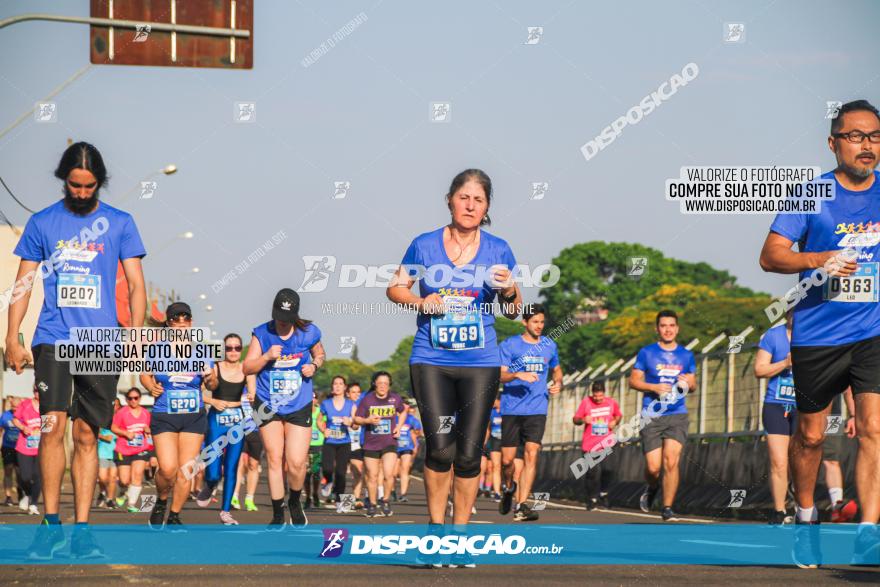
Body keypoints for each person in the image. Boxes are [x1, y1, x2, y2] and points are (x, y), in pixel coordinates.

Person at [5, 142, 147, 559]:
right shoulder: (42, 222)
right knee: (52, 426)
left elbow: (137, 285)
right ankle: (50, 525)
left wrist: (135, 334)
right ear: (63, 180)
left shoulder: (120, 223)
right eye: (75, 185)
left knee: (86, 433)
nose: (82, 193)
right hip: (53, 336)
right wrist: (13, 337)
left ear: (99, 183)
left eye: (89, 187)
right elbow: (24, 283)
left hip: (99, 341)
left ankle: (82, 530)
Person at [759, 99, 880, 566]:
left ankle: (867, 530)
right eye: (854, 136)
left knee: (872, 428)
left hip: (872, 330)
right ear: (833, 144)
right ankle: (805, 517)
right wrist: (818, 260)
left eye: (873, 136)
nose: (865, 145)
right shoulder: (810, 195)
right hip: (818, 333)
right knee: (809, 437)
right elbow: (770, 256)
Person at [387, 168, 522, 551]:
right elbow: (395, 288)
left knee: (467, 454)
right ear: (450, 199)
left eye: (478, 200)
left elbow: (514, 311)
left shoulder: (499, 249)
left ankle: (459, 536)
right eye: (464, 197)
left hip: (480, 362)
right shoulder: (424, 245)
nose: (470, 205)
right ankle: (435, 530)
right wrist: (419, 300)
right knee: (440, 448)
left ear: (487, 207)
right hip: (431, 357)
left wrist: (510, 288)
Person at [242, 288, 325, 528]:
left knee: (297, 462)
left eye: (287, 319)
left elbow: (319, 354)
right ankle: (278, 512)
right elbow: (247, 368)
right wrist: (266, 356)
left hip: (299, 403)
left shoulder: (309, 332)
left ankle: (295, 500)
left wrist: (315, 366)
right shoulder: (261, 333)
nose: (282, 323)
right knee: (275, 459)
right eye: (279, 317)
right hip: (268, 404)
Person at [141, 302, 217, 529]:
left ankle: (174, 515)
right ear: (169, 323)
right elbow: (144, 375)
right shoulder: (157, 349)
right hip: (165, 414)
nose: (181, 323)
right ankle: (162, 501)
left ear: (191, 322)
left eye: (186, 318)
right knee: (167, 468)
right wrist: (150, 387)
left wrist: (210, 377)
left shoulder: (202, 351)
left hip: (193, 416)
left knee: (186, 470)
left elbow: (213, 382)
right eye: (176, 319)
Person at [629, 309, 696, 522]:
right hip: (652, 415)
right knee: (654, 467)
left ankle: (667, 508)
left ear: (677, 328)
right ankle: (652, 486)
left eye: (672, 326)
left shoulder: (686, 355)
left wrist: (689, 384)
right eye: (663, 325)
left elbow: (693, 384)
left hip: (677, 414)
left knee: (671, 461)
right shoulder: (646, 353)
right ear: (657, 328)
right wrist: (654, 387)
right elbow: (634, 381)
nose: (668, 329)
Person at [498, 303, 563, 522]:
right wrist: (518, 375)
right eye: (535, 321)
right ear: (524, 322)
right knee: (507, 461)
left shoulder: (549, 345)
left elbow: (556, 369)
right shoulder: (510, 345)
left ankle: (522, 504)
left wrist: (558, 382)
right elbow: (500, 375)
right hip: (511, 408)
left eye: (542, 322)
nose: (539, 326)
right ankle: (508, 488)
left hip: (537, 408)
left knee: (531, 454)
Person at [196, 333, 255, 525]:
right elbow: (196, 393)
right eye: (229, 348)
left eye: (237, 348)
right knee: (214, 471)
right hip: (216, 420)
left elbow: (253, 392)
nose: (233, 351)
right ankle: (210, 484)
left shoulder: (246, 369)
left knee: (232, 467)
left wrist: (253, 397)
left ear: (241, 349)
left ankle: (226, 511)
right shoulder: (214, 366)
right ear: (224, 349)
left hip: (237, 420)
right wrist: (213, 400)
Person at [754, 312, 798, 525]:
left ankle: (802, 506)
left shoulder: (815, 334)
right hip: (776, 404)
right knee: (779, 461)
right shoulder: (773, 336)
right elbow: (759, 369)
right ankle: (779, 510)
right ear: (787, 313)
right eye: (793, 311)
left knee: (800, 460)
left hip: (806, 406)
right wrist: (785, 364)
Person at [354, 371, 406, 518]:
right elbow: (357, 419)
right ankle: (372, 503)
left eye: (385, 383)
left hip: (389, 442)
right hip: (371, 443)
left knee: (389, 474)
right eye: (380, 383)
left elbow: (403, 412)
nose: (382, 386)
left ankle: (386, 500)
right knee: (372, 476)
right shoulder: (367, 400)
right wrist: (367, 421)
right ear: (374, 384)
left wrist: (399, 426)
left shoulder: (395, 398)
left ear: (389, 384)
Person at [573, 380, 622, 510]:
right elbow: (575, 419)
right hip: (590, 445)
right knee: (592, 473)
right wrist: (583, 420)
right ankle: (592, 499)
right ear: (592, 394)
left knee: (608, 470)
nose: (598, 399)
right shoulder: (586, 402)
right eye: (595, 396)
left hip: (607, 443)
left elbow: (618, 415)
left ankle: (603, 493)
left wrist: (615, 422)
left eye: (600, 396)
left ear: (604, 394)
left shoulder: (611, 402)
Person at [318, 375, 356, 511]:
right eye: (335, 384)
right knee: (327, 468)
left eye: (341, 384)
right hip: (329, 441)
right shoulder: (326, 404)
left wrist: (350, 423)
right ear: (332, 387)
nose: (338, 386)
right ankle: (328, 481)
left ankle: (341, 502)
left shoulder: (351, 404)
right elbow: (318, 420)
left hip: (344, 442)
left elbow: (356, 425)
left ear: (345, 387)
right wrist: (323, 430)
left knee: (341, 472)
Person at [111, 388, 151, 513]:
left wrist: (148, 432)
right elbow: (113, 427)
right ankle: (123, 492)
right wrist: (125, 433)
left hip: (141, 448)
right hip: (124, 449)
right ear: (127, 400)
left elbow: (150, 433)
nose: (133, 400)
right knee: (124, 480)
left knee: (137, 475)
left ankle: (131, 504)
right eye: (130, 398)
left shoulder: (146, 413)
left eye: (136, 398)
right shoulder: (122, 412)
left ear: (140, 398)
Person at [822, 392, 858, 523]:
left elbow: (847, 387)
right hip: (805, 411)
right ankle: (799, 504)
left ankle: (837, 506)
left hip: (833, 416)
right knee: (803, 457)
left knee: (832, 458)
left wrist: (853, 415)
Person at [232, 391, 263, 512]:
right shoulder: (239, 387)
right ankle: (234, 496)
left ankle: (249, 499)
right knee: (239, 463)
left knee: (253, 464)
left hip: (256, 431)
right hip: (239, 430)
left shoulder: (260, 388)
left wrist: (255, 401)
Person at [13, 390, 42, 516]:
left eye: (40, 390)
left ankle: (34, 504)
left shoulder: (47, 406)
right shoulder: (25, 404)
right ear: (33, 391)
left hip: (41, 448)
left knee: (38, 476)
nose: (38, 392)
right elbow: (15, 419)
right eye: (36, 390)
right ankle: (28, 494)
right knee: (24, 476)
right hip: (24, 446)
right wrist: (23, 427)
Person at [395, 401, 422, 502]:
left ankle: (403, 494)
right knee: (393, 473)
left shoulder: (411, 419)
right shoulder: (394, 418)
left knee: (404, 470)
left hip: (407, 447)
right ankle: (392, 491)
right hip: (394, 447)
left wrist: (415, 434)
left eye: (407, 406)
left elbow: (418, 431)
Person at [346, 382, 366, 509]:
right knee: (341, 473)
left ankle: (356, 499)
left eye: (358, 392)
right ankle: (337, 495)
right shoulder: (342, 406)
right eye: (353, 392)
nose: (356, 394)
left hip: (358, 444)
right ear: (347, 394)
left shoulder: (364, 407)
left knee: (358, 472)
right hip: (343, 442)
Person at [95, 399, 118, 510]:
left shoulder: (121, 418)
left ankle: (110, 499)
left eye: (117, 405)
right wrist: (104, 437)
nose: (114, 407)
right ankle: (102, 491)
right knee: (103, 478)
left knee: (112, 478)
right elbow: (95, 432)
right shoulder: (102, 418)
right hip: (103, 452)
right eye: (113, 405)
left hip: (116, 453)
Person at [304, 392, 325, 510]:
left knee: (316, 472)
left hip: (318, 444)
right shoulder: (303, 412)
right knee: (306, 472)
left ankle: (315, 493)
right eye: (309, 398)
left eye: (314, 399)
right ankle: (307, 497)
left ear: (317, 401)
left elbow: (325, 426)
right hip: (305, 445)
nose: (312, 401)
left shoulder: (320, 412)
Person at [1, 397, 22, 507]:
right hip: (7, 447)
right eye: (13, 406)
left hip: (21, 448)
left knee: (20, 473)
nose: (14, 409)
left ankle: (21, 493)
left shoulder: (24, 415)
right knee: (8, 471)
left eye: (16, 407)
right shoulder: (5, 415)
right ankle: (8, 497)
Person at [484, 398, 503, 501]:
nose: (493, 402)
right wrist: (485, 442)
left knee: (507, 465)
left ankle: (507, 487)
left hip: (507, 441)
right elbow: (488, 428)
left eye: (495, 400)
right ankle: (497, 493)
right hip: (495, 441)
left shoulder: (507, 411)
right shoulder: (492, 413)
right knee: (496, 466)